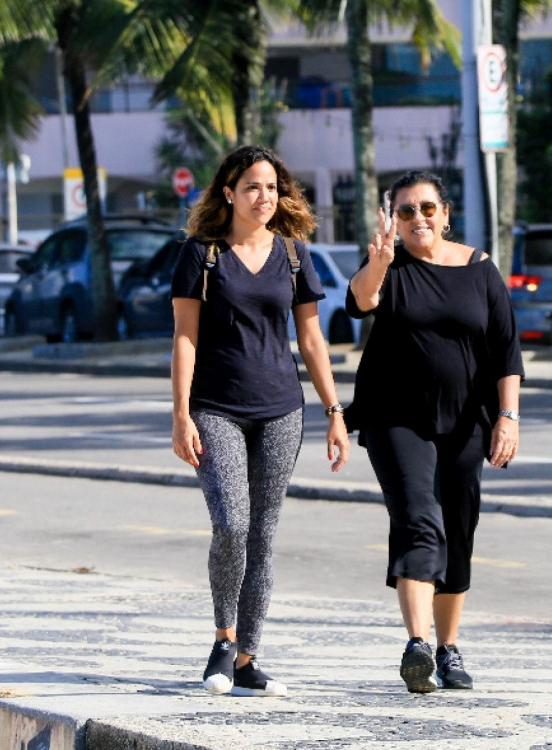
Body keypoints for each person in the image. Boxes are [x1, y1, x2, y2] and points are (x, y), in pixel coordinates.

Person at [171, 145, 350, 698]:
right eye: (252, 186)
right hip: (215, 408)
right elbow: (184, 337)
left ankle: (248, 657)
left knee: (263, 534)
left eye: (272, 187)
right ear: (229, 192)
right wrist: (180, 414)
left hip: (281, 409)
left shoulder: (294, 255)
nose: (264, 197)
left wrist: (335, 411)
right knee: (231, 523)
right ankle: (223, 640)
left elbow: (312, 340)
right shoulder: (202, 254)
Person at [344, 170, 524, 694]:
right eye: (405, 211)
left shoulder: (480, 269)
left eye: (426, 208)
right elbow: (359, 301)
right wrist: (378, 262)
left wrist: (508, 417)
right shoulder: (389, 265)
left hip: (467, 421)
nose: (417, 218)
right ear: (394, 220)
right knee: (419, 521)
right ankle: (417, 645)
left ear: (445, 214)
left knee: (458, 530)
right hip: (397, 418)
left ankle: (448, 648)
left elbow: (506, 350)